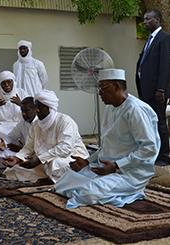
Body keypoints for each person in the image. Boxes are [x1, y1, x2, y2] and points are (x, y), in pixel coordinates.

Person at [56, 68, 160, 208]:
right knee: (64, 181)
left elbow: (149, 149)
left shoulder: (135, 110)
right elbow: (107, 146)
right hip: (106, 168)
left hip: (130, 173)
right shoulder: (110, 108)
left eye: (103, 87)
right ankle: (115, 191)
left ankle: (131, 190)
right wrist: (87, 162)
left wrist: (117, 165)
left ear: (117, 86)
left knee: (86, 193)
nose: (99, 92)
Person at [2, 90, 89, 183]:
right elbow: (29, 146)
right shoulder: (36, 124)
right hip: (44, 160)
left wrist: (39, 159)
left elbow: (65, 148)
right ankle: (48, 178)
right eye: (36, 107)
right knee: (14, 170)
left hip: (70, 157)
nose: (38, 110)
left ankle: (51, 178)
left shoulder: (65, 121)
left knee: (56, 164)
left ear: (50, 108)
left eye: (41, 107)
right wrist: (18, 158)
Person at [135, 9, 170, 166]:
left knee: (159, 122)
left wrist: (161, 89)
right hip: (146, 90)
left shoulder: (165, 39)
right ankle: (153, 154)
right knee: (149, 123)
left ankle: (164, 157)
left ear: (157, 20)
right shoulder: (150, 39)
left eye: (148, 19)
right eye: (144, 19)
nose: (145, 22)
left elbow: (166, 66)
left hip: (157, 91)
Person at [0, 71, 28, 149]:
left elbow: (31, 110)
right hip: (1, 125)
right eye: (3, 83)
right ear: (0, 85)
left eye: (9, 82)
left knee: (25, 128)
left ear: (13, 82)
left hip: (17, 125)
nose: (6, 85)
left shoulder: (21, 92)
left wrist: (20, 104)